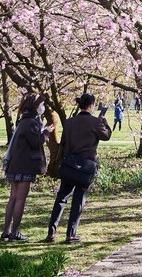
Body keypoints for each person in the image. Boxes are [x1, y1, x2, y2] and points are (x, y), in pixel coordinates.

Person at [47, 92, 111, 243]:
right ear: (90, 105)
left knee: (61, 197)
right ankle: (71, 234)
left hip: (69, 164)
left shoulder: (69, 123)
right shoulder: (96, 122)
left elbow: (63, 143)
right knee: (78, 200)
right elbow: (106, 135)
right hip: (85, 166)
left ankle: (51, 232)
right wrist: (104, 122)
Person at [2, 92, 53, 241]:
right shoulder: (31, 122)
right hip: (24, 165)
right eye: (41, 104)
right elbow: (36, 142)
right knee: (20, 199)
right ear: (36, 106)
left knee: (13, 198)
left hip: (15, 164)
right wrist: (46, 132)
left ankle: (7, 231)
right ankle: (14, 232)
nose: (43, 107)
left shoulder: (22, 121)